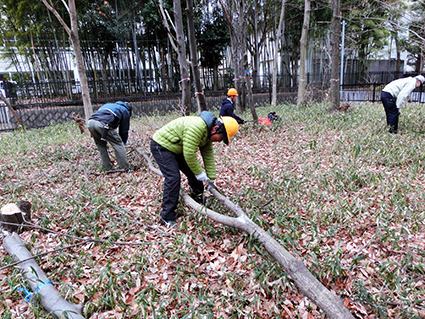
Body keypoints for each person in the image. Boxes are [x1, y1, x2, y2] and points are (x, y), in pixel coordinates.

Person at [150, 111, 239, 227]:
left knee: (193, 172)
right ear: (216, 129)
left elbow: (208, 156)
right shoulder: (198, 127)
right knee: (173, 177)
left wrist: (211, 179)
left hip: (177, 147)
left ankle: (197, 199)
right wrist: (200, 173)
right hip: (162, 146)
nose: (219, 141)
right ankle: (167, 216)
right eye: (221, 138)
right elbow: (189, 154)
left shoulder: (207, 134)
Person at [87, 101, 134, 172]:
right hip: (103, 124)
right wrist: (123, 141)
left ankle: (108, 168)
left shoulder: (108, 105)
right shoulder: (125, 110)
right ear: (129, 109)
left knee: (101, 146)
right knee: (118, 144)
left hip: (90, 123)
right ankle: (125, 168)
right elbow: (124, 129)